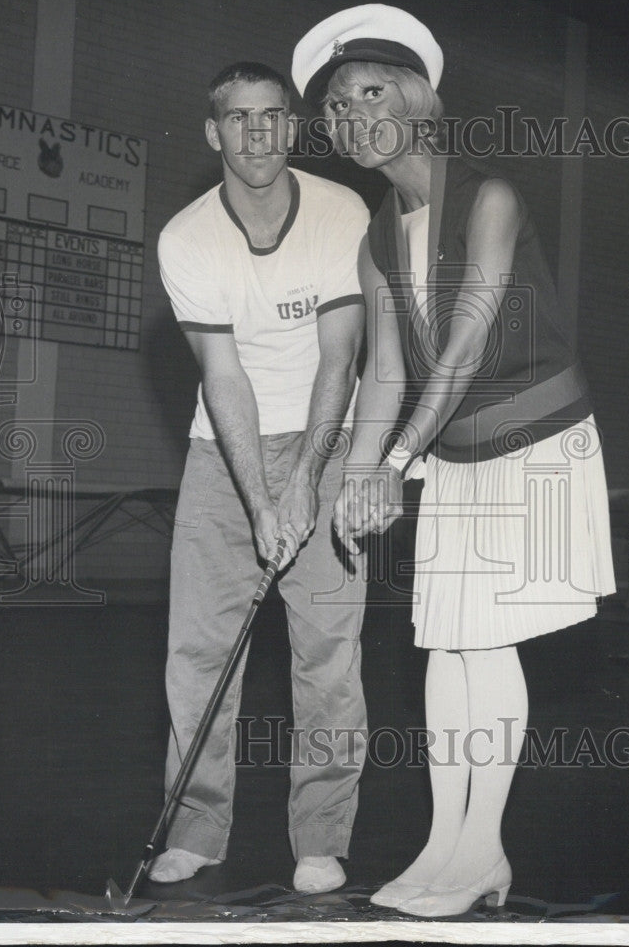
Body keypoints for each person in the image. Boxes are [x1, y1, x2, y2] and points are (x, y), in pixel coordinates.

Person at [292, 5, 617, 917]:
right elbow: (385, 369)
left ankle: (481, 851)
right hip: (455, 448)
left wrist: (393, 461)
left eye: (372, 92)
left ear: (417, 98)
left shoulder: (491, 195)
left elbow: (465, 347)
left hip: (536, 439)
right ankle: (447, 843)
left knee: (489, 639)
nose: (355, 116)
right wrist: (360, 473)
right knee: (445, 643)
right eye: (338, 106)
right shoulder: (374, 235)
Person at [152, 61, 370, 894]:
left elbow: (340, 357)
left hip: (324, 436)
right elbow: (224, 374)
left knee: (326, 655)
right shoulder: (186, 237)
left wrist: (307, 479)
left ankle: (320, 835)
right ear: (214, 135)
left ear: (293, 127)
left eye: (273, 116)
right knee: (199, 655)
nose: (257, 133)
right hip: (224, 454)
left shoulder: (340, 211)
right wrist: (259, 497)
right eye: (238, 119)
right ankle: (196, 828)